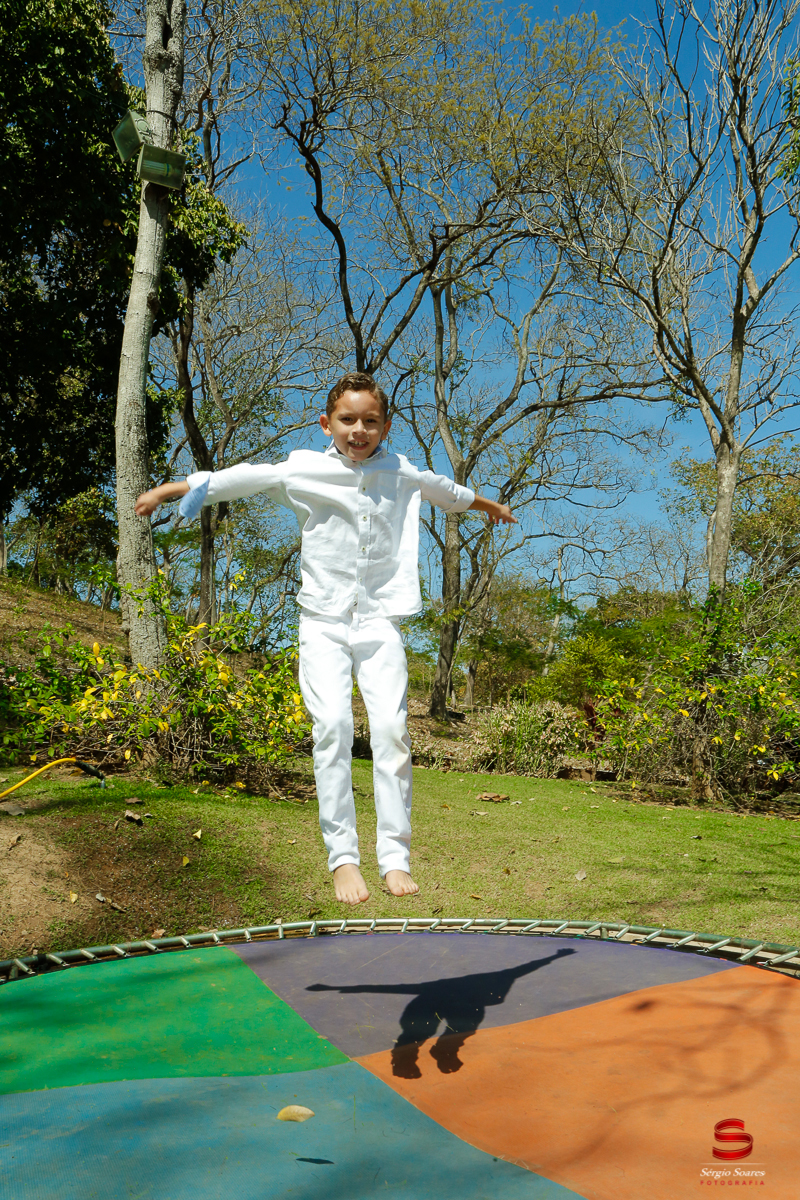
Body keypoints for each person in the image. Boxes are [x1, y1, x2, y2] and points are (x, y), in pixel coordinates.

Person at [135, 372, 516, 905]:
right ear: (327, 423)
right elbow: (242, 477)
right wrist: (172, 489)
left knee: (390, 730)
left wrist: (490, 506)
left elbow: (449, 492)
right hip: (322, 621)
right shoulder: (305, 466)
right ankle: (343, 858)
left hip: (380, 621)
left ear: (386, 425)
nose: (359, 430)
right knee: (333, 726)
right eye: (348, 420)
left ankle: (395, 858)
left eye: (371, 421)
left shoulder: (401, 471)